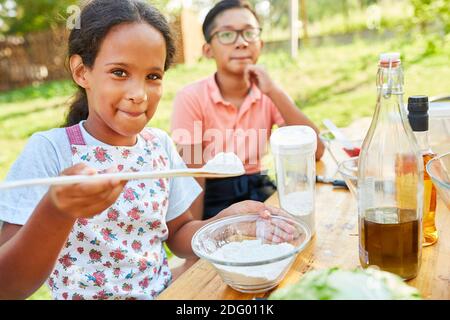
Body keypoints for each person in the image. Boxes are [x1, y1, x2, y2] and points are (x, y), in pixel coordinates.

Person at [0, 0, 293, 300]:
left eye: (153, 76)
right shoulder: (51, 151)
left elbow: (179, 235)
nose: (139, 95)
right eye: (119, 72)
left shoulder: (158, 146)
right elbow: (8, 286)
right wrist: (58, 210)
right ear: (81, 72)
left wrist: (228, 223)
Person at [171, 0, 325, 221]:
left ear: (260, 44)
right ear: (207, 50)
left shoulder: (269, 92)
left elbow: (317, 150)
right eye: (226, 35)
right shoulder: (190, 97)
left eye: (249, 33)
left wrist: (274, 92)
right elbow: (194, 176)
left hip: (259, 189)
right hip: (212, 197)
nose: (241, 42)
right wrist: (194, 235)